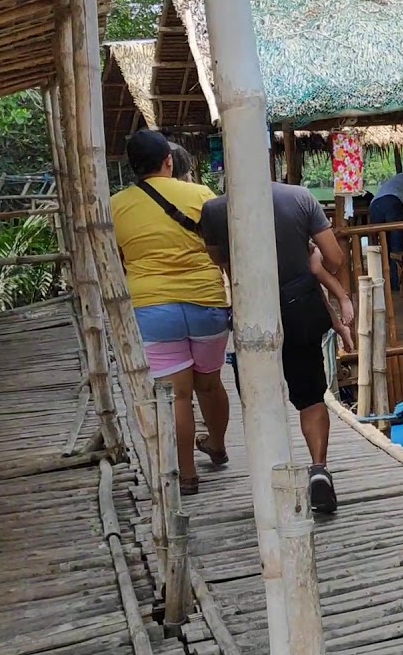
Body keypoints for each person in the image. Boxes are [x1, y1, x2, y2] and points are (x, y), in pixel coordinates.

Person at [200, 182, 346, 513]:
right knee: (310, 397)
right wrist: (316, 258)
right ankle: (319, 469)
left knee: (258, 400)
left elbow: (219, 260)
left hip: (251, 312)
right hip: (298, 309)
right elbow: (334, 259)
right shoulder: (300, 198)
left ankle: (270, 480)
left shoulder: (213, 210)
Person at [110, 130, 231, 497]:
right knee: (209, 382)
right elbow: (222, 243)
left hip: (152, 308)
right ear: (169, 160)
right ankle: (218, 445)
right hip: (206, 300)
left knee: (178, 396)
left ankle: (189, 475)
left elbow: (117, 258)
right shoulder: (200, 195)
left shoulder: (115, 206)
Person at [368, 167, 403, 287]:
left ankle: (379, 278)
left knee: (381, 244)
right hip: (393, 202)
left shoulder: (393, 181)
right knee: (396, 245)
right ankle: (397, 281)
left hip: (374, 205)